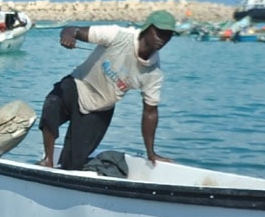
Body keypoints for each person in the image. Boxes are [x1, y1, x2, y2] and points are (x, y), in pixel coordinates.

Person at [38, 10, 176, 171]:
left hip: (100, 109)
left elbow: (150, 112)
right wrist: (68, 35)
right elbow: (72, 30)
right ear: (147, 27)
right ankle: (48, 159)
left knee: (73, 164)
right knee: (52, 103)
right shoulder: (119, 35)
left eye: (168, 34)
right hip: (78, 85)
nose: (163, 38)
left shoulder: (153, 73)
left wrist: (151, 153)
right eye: (159, 32)